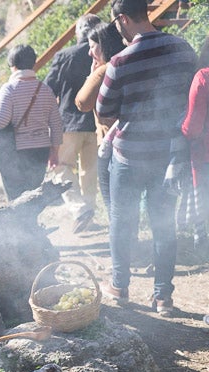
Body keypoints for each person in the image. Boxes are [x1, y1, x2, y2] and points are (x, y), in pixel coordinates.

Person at [96, 0, 197, 315]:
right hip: (170, 157)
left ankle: (119, 286)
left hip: (129, 157)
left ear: (123, 19)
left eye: (115, 23)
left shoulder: (120, 61)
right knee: (163, 225)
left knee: (121, 221)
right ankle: (163, 297)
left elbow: (102, 112)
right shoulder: (183, 50)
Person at [45, 14, 102, 233]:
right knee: (90, 173)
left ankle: (79, 210)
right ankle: (87, 212)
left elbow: (49, 88)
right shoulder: (103, 53)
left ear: (78, 32)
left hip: (69, 121)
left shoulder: (64, 55)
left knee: (59, 168)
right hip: (97, 123)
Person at [0, 44, 63, 201]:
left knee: (16, 198)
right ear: (33, 63)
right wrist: (54, 152)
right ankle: (33, 225)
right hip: (40, 150)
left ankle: (19, 226)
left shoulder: (9, 89)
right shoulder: (45, 90)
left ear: (13, 66)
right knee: (33, 196)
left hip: (16, 151)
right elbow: (56, 124)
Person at [75, 22, 127, 210]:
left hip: (111, 144)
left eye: (91, 47)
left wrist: (92, 74)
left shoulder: (104, 70)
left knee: (113, 204)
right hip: (135, 140)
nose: (89, 53)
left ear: (103, 45)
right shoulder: (127, 60)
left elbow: (82, 102)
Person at [182, 37, 209, 259]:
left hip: (205, 151)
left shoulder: (203, 78)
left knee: (204, 198)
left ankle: (202, 244)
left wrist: (181, 132)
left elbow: (193, 126)